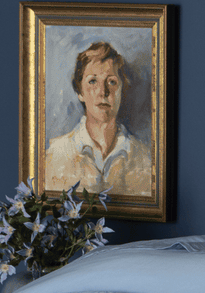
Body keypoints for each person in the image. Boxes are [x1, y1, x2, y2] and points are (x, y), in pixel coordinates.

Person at [45, 41, 152, 195]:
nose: (103, 92)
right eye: (93, 81)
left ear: (122, 91)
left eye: (112, 82)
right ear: (80, 92)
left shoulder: (145, 160)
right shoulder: (55, 156)